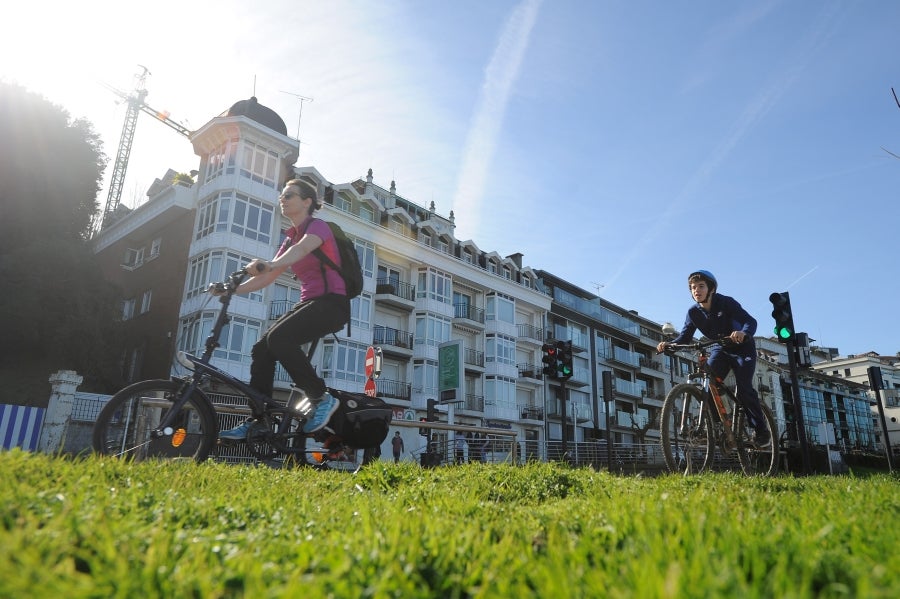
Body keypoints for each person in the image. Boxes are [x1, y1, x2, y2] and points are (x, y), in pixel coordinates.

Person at [217, 178, 350, 440]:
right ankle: (260, 419)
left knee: (279, 338)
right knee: (262, 349)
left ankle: (321, 398)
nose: (283, 199)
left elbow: (300, 251)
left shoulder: (318, 227)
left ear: (307, 201)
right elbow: (268, 275)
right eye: (282, 196)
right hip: (310, 302)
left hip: (332, 303)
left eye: (289, 195)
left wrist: (268, 262)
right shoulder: (289, 239)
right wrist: (231, 289)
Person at [656, 270, 770, 448]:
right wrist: (669, 345)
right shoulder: (693, 313)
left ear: (711, 289)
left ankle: (761, 430)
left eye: (701, 286)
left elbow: (750, 321)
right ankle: (718, 424)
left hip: (742, 348)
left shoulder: (726, 302)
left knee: (744, 388)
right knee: (707, 384)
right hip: (721, 349)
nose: (696, 290)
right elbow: (684, 338)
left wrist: (743, 333)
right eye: (693, 288)